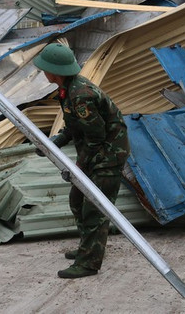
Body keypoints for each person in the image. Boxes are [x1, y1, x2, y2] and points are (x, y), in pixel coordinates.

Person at [33, 42, 130, 279]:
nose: (43, 72)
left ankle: (89, 263)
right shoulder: (68, 90)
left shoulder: (80, 95)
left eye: (44, 69)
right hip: (96, 152)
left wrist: (81, 165)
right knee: (77, 200)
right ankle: (89, 248)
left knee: (94, 209)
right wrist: (57, 140)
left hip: (107, 155)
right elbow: (75, 125)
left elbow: (95, 137)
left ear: (54, 71)